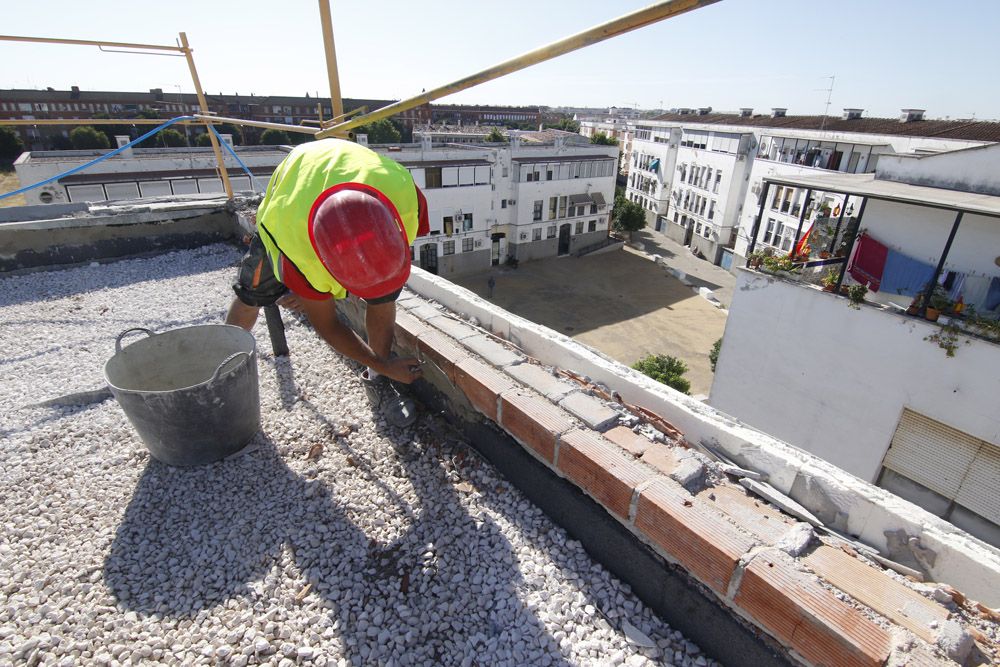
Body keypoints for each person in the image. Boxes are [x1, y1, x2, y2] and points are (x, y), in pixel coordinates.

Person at [227, 138, 430, 427]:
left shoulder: (406, 197)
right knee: (252, 294)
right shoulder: (294, 245)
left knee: (380, 295)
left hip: (353, 175)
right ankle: (224, 373)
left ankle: (377, 381)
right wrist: (310, 293)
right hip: (293, 190)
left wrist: (381, 366)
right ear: (323, 262)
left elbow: (381, 288)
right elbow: (327, 325)